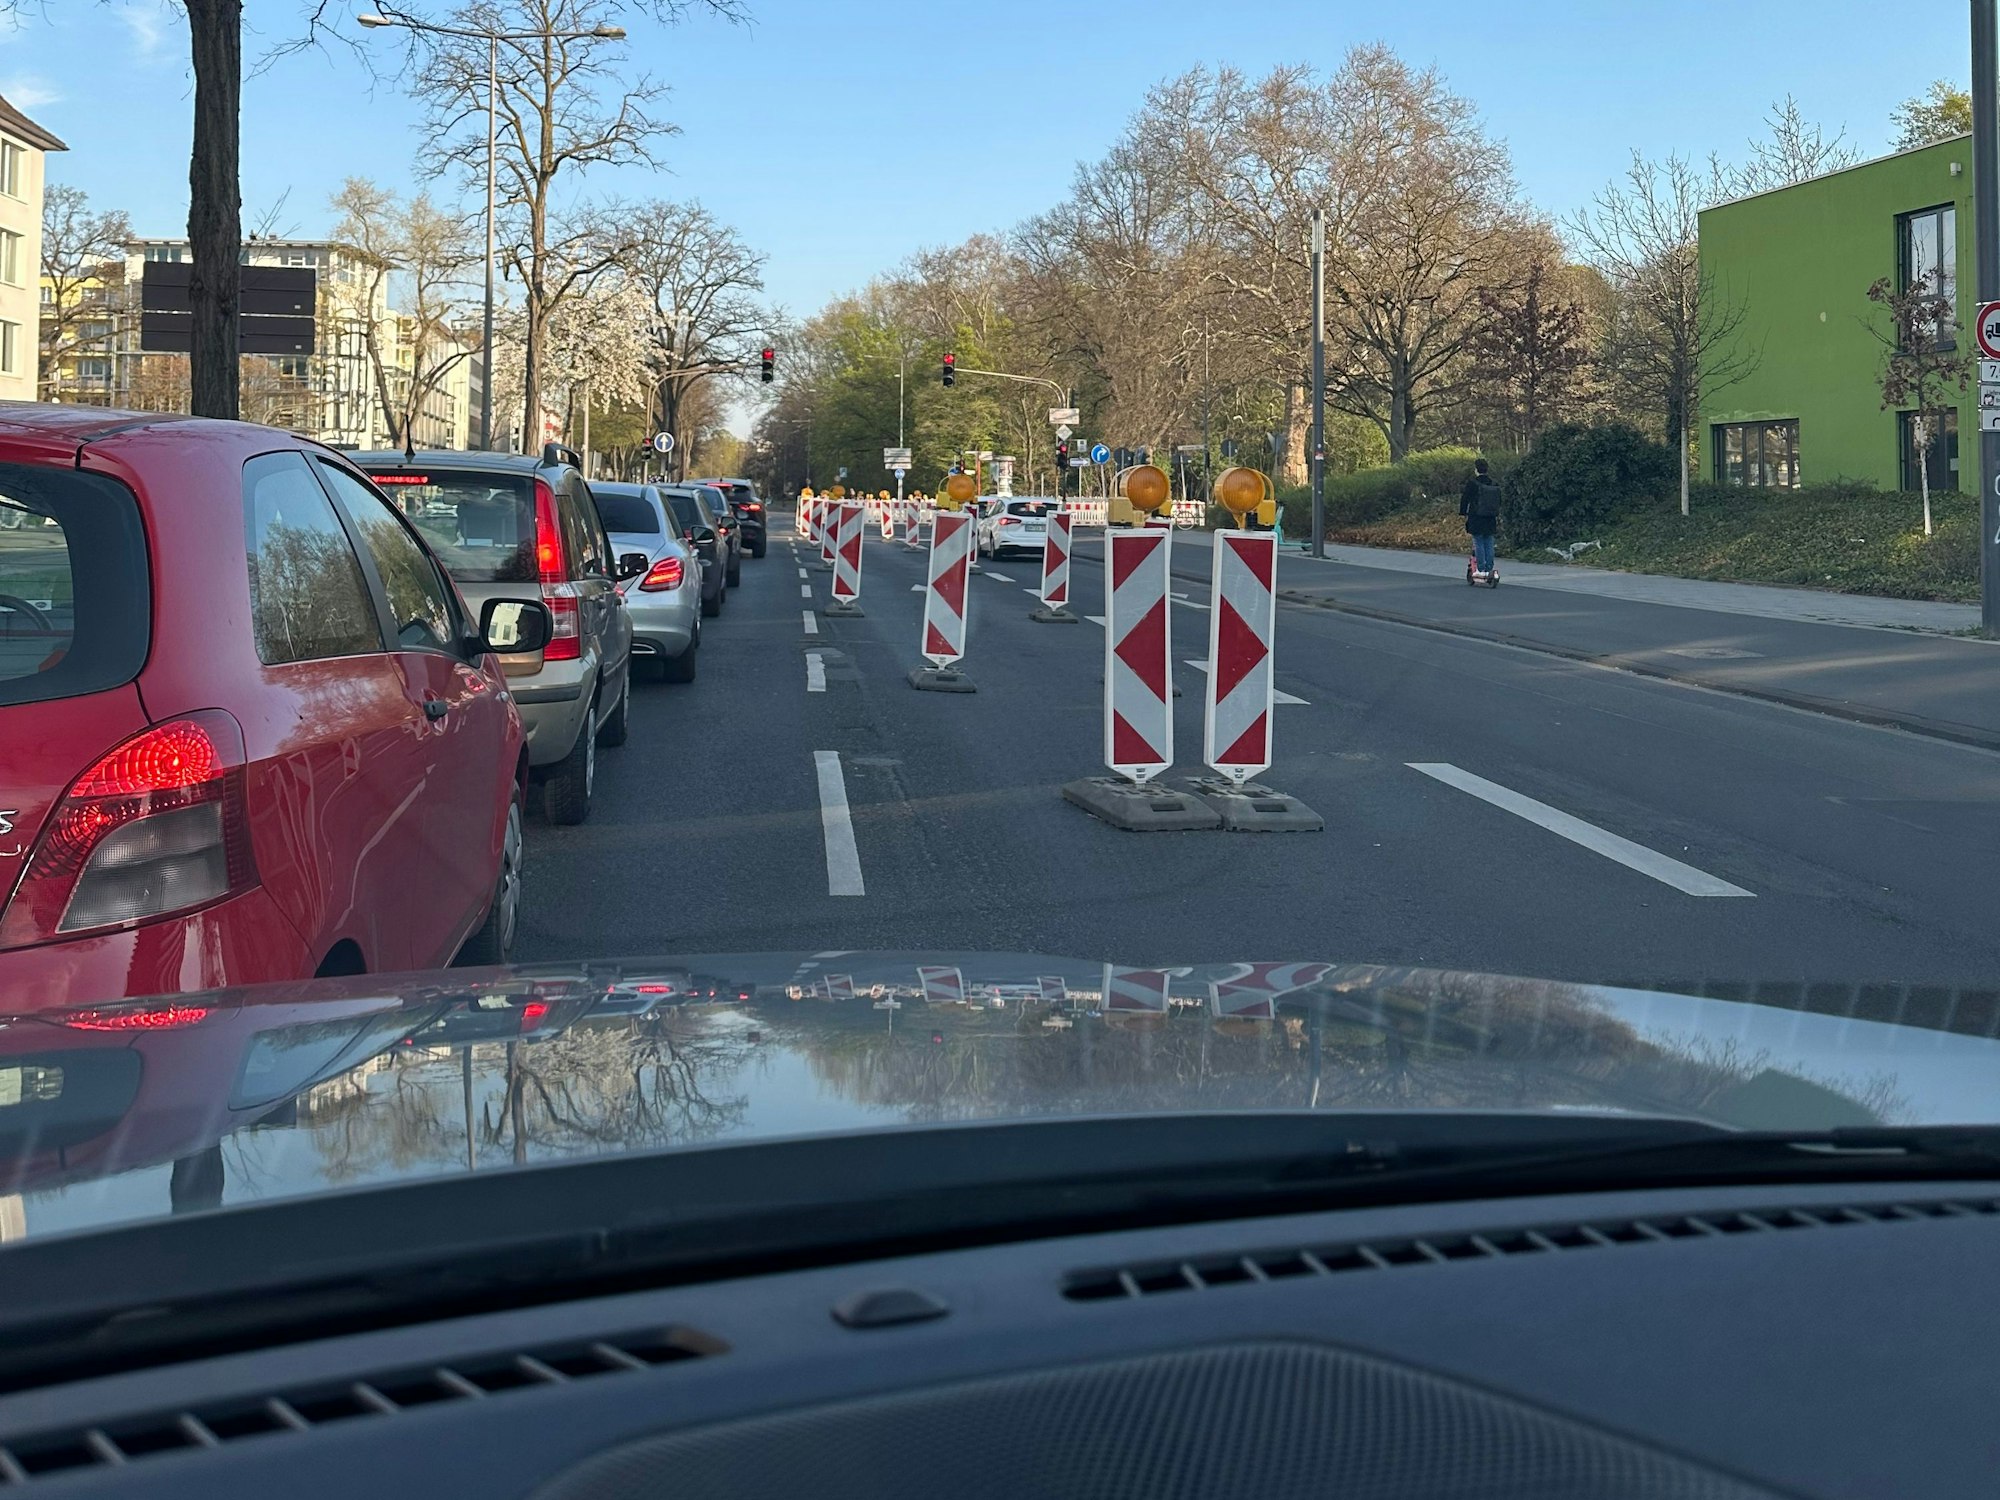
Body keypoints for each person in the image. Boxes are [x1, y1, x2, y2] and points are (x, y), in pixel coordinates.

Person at [1460, 458, 1502, 575]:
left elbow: (1465, 499)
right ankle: (1489, 568)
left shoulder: (1473, 483)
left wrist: (1463, 513)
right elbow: (1499, 500)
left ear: (1476, 469)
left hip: (1476, 516)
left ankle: (1480, 569)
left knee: (1478, 541)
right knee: (1489, 541)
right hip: (1490, 516)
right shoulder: (1494, 484)